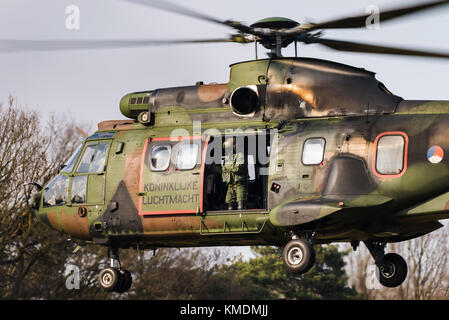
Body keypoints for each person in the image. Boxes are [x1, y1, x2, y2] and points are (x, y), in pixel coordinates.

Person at [222, 137, 248, 210]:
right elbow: (224, 171)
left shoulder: (240, 156)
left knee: (240, 207)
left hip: (240, 185)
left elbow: (237, 169)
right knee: (230, 207)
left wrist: (226, 165)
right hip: (230, 186)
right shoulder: (228, 157)